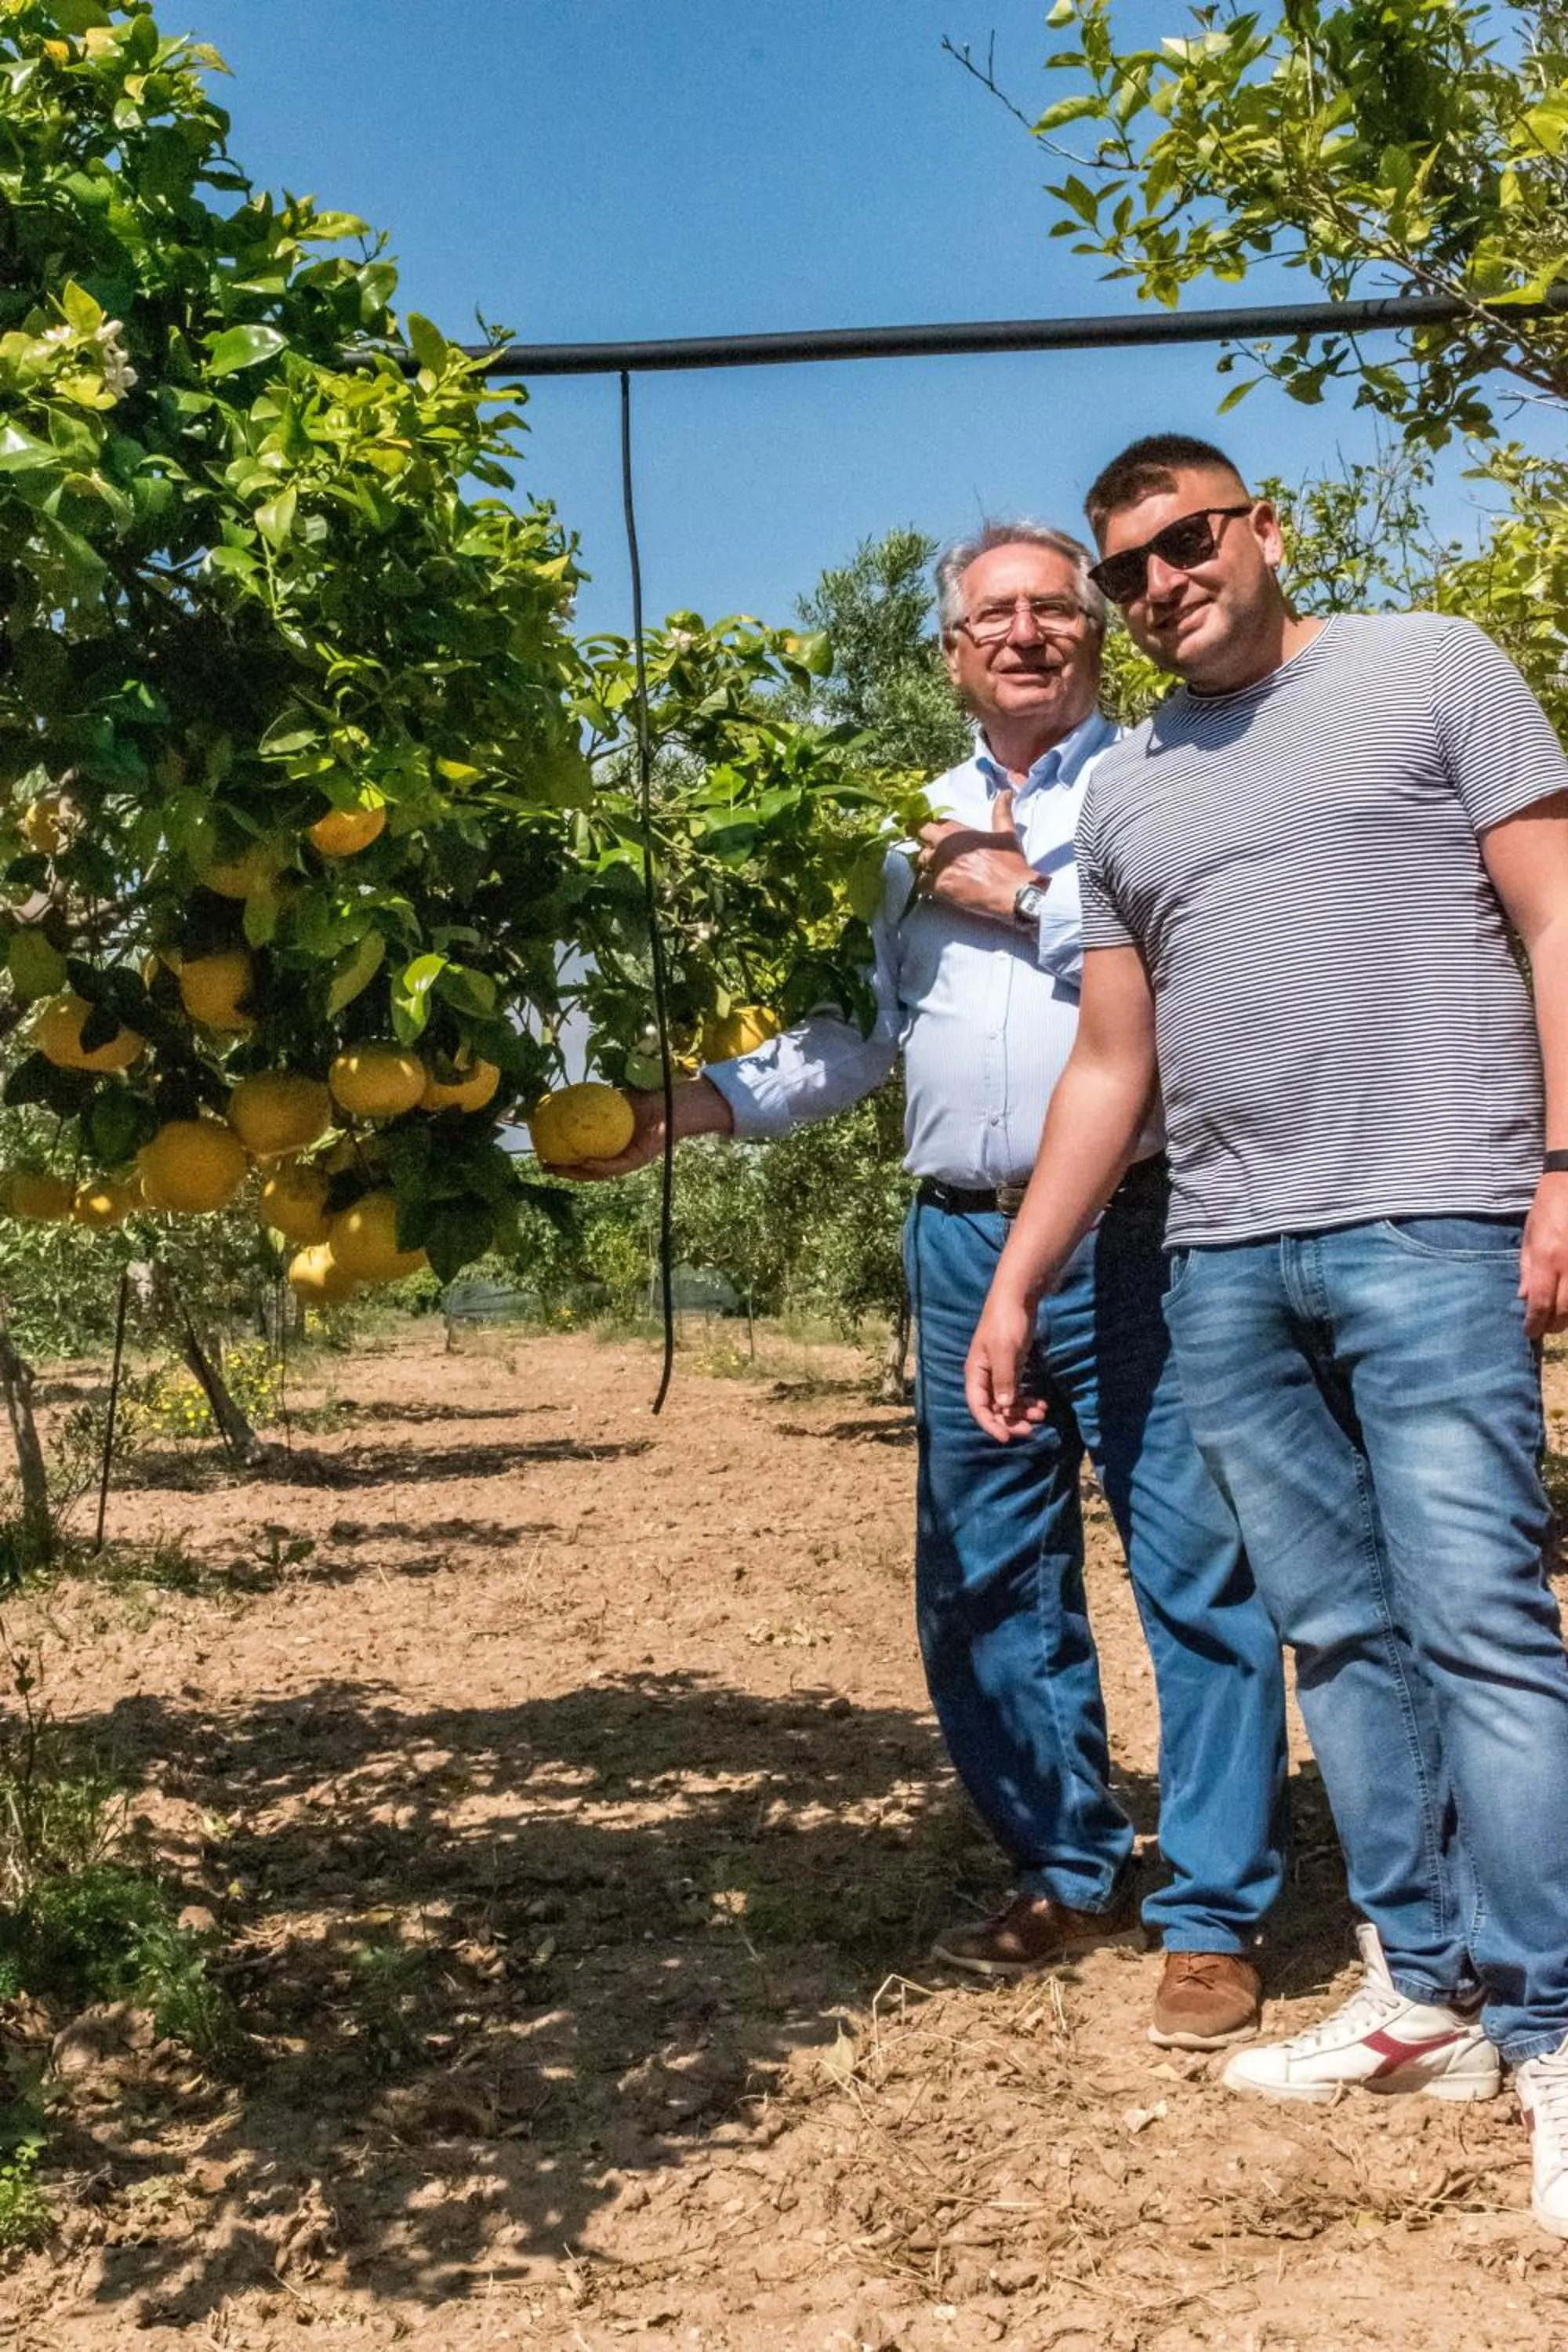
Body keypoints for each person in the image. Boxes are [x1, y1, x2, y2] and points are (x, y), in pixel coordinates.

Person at [551, 521, 1288, 2051]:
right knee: (983, 1575)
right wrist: (683, 1110)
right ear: (951, 654)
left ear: (1093, 631)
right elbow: (854, 1038)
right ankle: (1066, 1863)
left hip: (1145, 1228)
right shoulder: (901, 831)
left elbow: (1206, 987)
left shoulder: (1165, 779)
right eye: (991, 615)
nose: (1023, 632)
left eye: (1050, 607)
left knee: (1193, 1566)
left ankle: (1215, 1913)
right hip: (960, 1235)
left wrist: (1011, 891)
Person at [966, 434, 1568, 2235]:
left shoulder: (1426, 666)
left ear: (1265, 531)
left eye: (1189, 540)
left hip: (1434, 1223)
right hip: (1222, 1264)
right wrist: (1017, 1277)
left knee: (1481, 1625)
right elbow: (1110, 1062)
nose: (1162, 582)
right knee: (1341, 1640)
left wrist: (1563, 1161)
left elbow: (1554, 912)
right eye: (1129, 566)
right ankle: (1423, 1992)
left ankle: (1552, 2026)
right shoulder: (1131, 792)